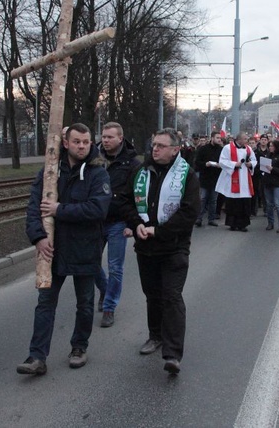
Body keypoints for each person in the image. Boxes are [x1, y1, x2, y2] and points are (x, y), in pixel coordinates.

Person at [17, 123, 111, 375]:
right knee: (45, 302)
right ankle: (36, 356)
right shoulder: (49, 171)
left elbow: (97, 209)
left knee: (85, 302)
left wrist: (60, 210)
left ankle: (79, 347)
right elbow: (34, 208)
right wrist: (38, 237)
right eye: (77, 141)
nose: (82, 146)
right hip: (54, 250)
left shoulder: (97, 172)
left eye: (86, 141)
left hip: (85, 248)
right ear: (66, 143)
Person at [120, 128, 200, 375]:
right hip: (146, 247)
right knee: (152, 295)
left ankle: (173, 354)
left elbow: (189, 213)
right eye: (154, 144)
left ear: (175, 150)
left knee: (172, 296)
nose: (155, 149)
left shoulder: (187, 175)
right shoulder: (140, 171)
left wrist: (159, 231)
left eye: (161, 146)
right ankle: (155, 336)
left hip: (174, 247)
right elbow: (125, 201)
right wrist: (137, 224)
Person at [95, 122, 140, 328]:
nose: (105, 140)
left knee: (115, 267)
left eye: (110, 137)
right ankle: (105, 290)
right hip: (94, 220)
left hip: (118, 222)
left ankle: (109, 307)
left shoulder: (132, 163)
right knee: (90, 263)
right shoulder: (93, 158)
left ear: (120, 138)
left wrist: (133, 223)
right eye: (104, 136)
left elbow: (137, 196)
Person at [215, 132, 257, 231]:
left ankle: (243, 224)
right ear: (239, 140)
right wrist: (234, 164)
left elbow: (254, 160)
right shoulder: (227, 148)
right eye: (245, 139)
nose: (247, 141)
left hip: (245, 179)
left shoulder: (248, 149)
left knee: (244, 203)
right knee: (233, 203)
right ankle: (232, 224)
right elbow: (222, 161)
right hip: (233, 178)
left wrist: (250, 164)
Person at [194, 131, 223, 227]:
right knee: (202, 199)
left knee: (213, 200)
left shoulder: (221, 150)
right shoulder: (203, 149)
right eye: (217, 138)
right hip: (205, 178)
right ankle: (199, 218)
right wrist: (205, 164)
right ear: (212, 138)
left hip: (216, 178)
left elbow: (225, 162)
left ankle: (211, 219)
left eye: (220, 138)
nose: (219, 140)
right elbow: (197, 162)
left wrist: (221, 165)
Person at [262, 139, 279, 233]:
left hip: (277, 183)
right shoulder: (268, 155)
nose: (270, 148)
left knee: (278, 204)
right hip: (268, 182)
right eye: (269, 146)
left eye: (272, 146)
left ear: (276, 147)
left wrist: (273, 169)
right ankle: (270, 223)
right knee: (269, 204)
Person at [252, 134, 270, 216]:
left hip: (266, 174)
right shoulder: (255, 151)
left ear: (267, 141)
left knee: (265, 193)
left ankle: (266, 210)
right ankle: (253, 210)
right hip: (256, 174)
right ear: (260, 140)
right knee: (255, 192)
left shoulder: (269, 152)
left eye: (265, 140)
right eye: (262, 139)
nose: (263, 141)